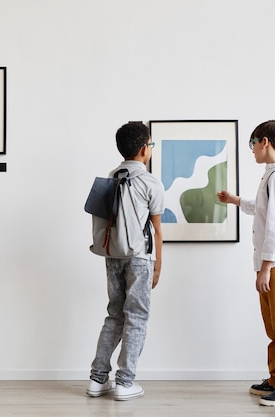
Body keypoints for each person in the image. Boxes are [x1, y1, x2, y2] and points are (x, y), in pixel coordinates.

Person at [217, 120, 275, 407]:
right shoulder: (272, 176)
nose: (252, 149)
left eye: (253, 142)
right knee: (273, 325)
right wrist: (236, 200)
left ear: (264, 141)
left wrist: (266, 267)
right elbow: (264, 208)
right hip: (270, 262)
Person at [86, 121, 164, 401]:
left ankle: (97, 379)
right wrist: (158, 265)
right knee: (137, 317)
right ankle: (125, 382)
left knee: (115, 314)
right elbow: (156, 229)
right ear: (145, 149)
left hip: (112, 255)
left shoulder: (112, 176)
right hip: (139, 259)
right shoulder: (150, 182)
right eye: (151, 145)